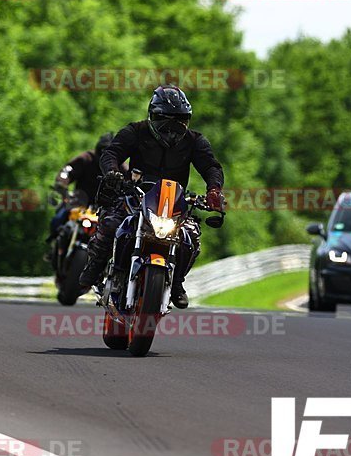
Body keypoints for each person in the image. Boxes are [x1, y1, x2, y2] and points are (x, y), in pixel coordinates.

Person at [78, 85, 225, 309]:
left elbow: (211, 167)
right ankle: (95, 266)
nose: (171, 129)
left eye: (179, 122)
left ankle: (176, 283)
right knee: (111, 223)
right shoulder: (135, 131)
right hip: (136, 195)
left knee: (191, 237)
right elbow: (112, 153)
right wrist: (112, 174)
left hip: (173, 201)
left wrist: (214, 190)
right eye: (164, 121)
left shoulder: (195, 141)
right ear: (152, 116)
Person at [47, 133, 115, 242]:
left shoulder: (119, 167)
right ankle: (54, 247)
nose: (104, 154)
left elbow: (132, 182)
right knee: (58, 219)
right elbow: (67, 171)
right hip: (78, 203)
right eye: (102, 150)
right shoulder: (86, 158)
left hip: (105, 210)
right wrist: (61, 184)